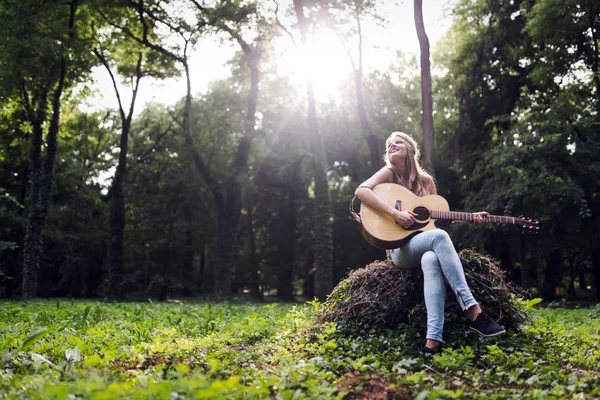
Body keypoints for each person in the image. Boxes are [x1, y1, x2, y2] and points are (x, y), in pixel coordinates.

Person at [354, 131, 506, 354]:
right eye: (388, 144)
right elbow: (361, 191)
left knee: (431, 257)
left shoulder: (426, 183)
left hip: (424, 245)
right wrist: (396, 215)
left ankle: (433, 341)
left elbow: (435, 224)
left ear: (411, 149)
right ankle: (473, 311)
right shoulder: (389, 173)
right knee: (440, 239)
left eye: (397, 142)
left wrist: (470, 218)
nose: (391, 145)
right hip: (400, 250)